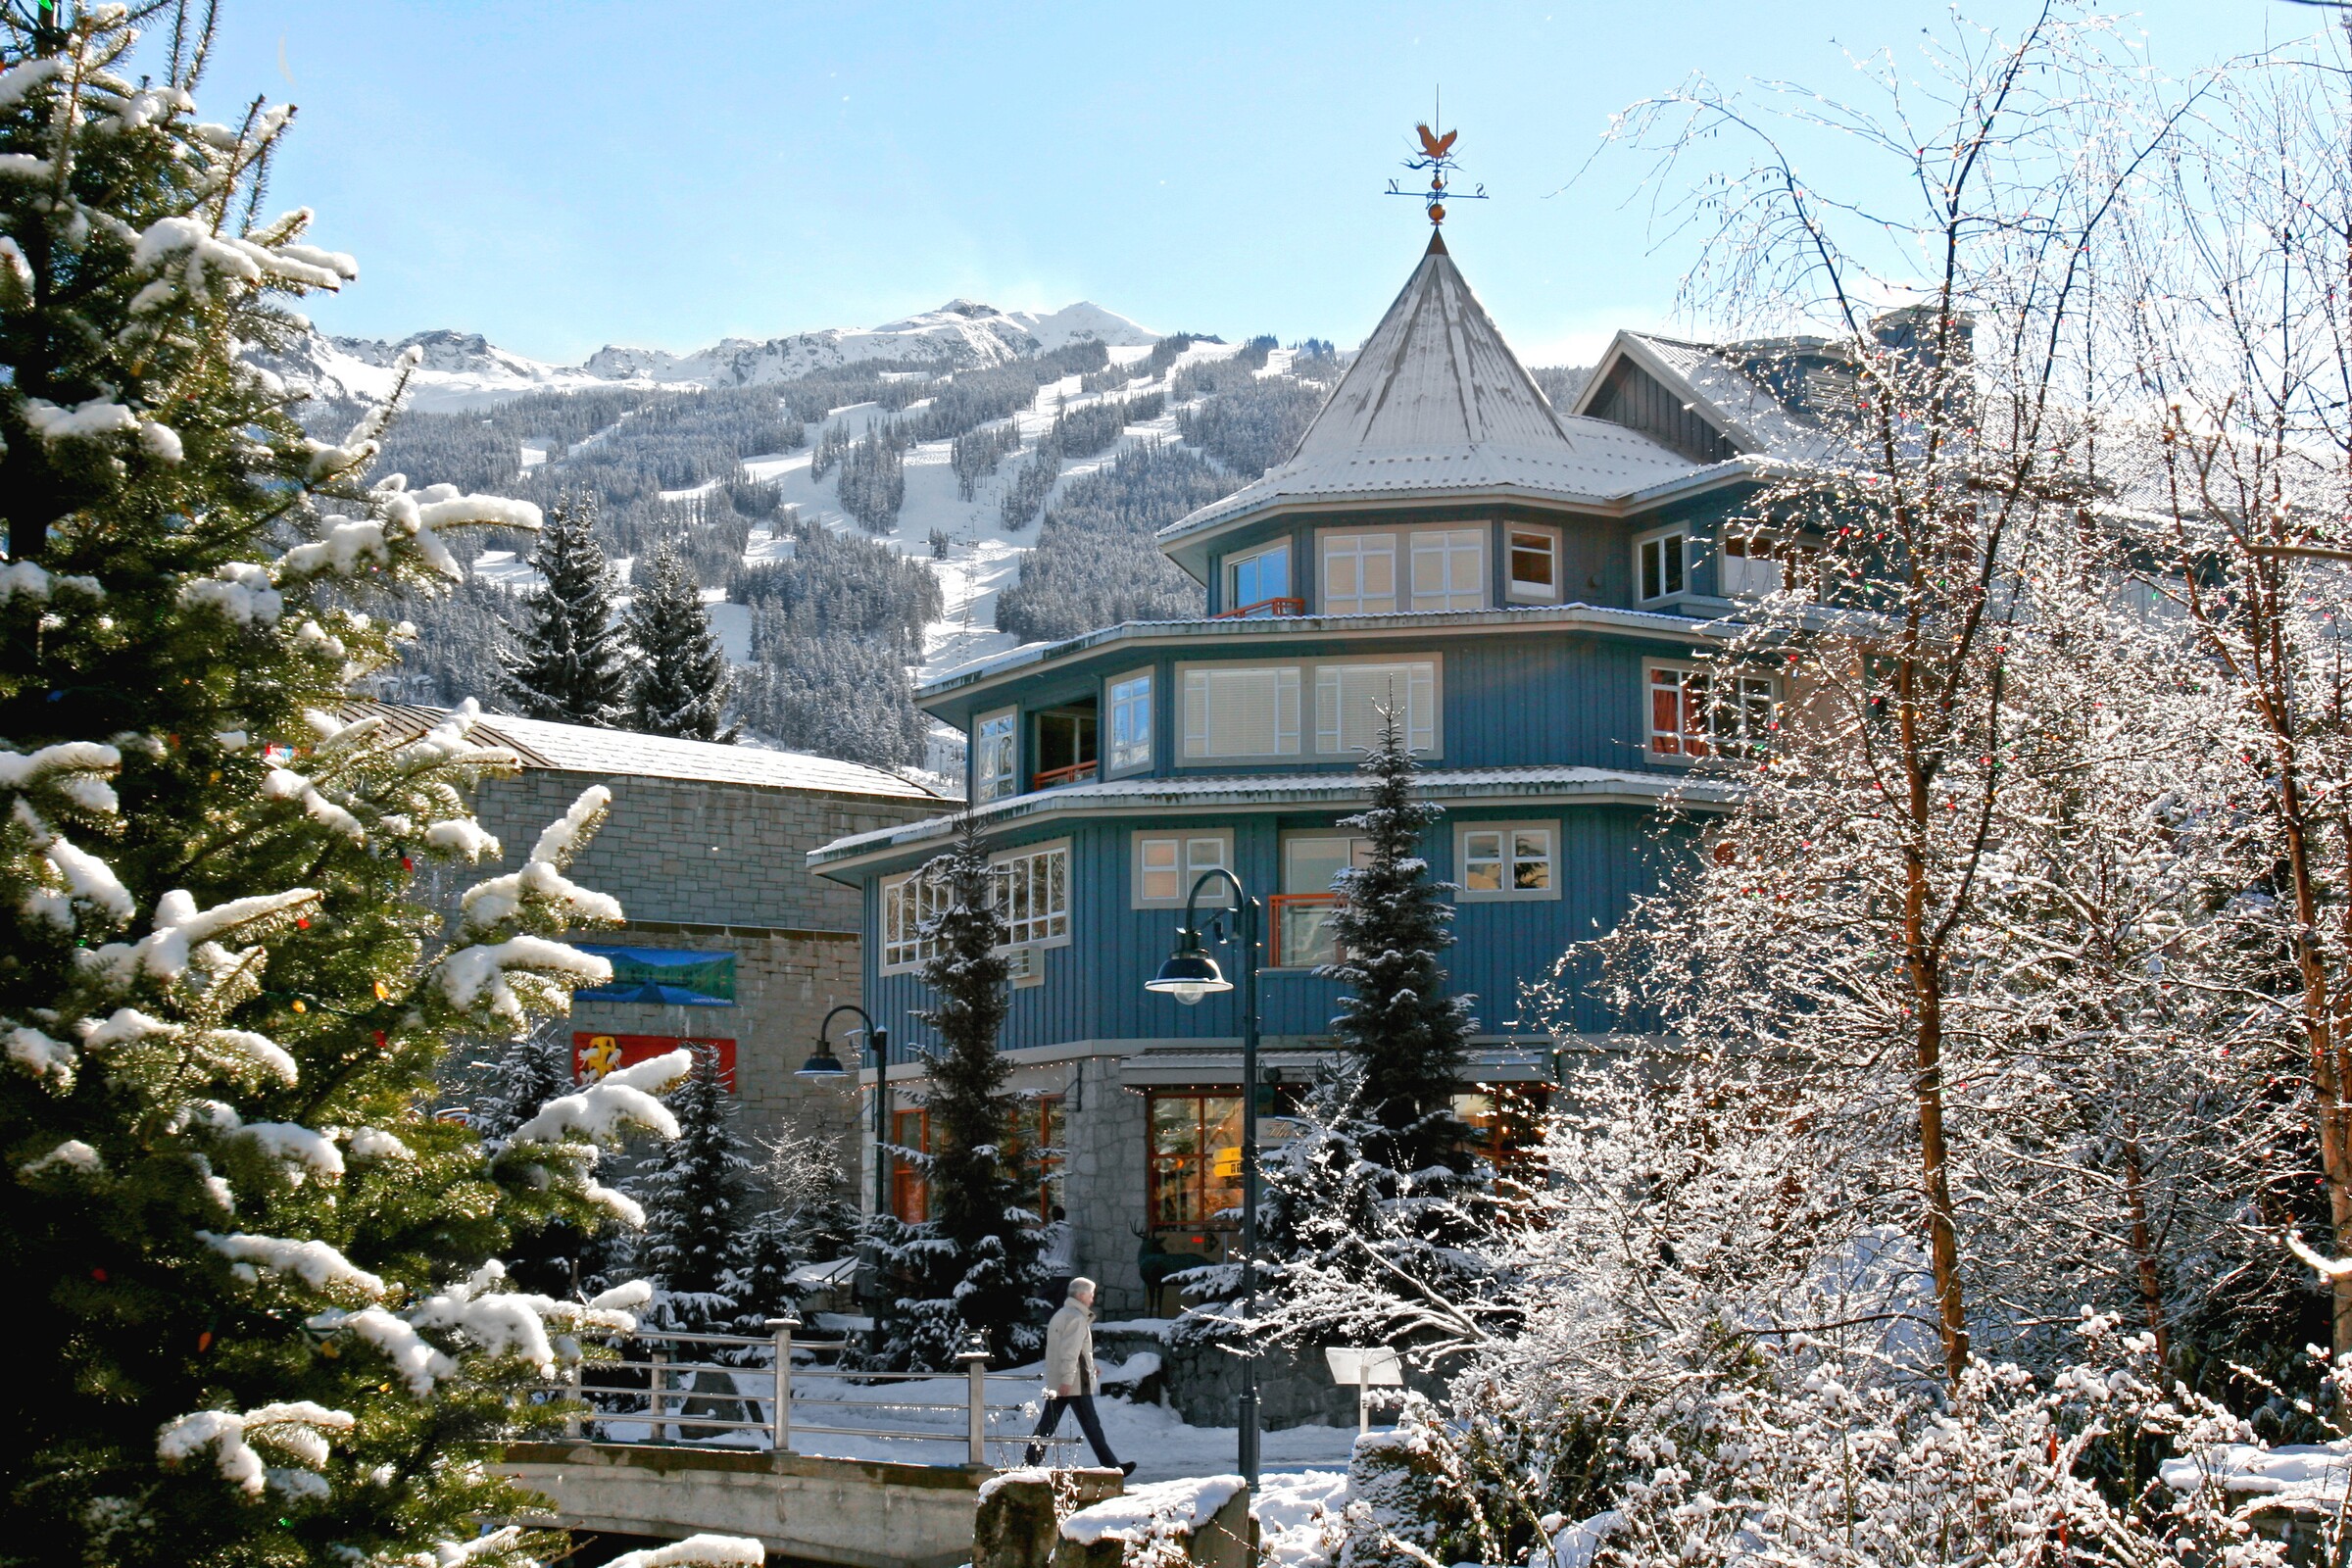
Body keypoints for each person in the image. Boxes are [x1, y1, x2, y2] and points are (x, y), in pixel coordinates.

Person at [1022, 1277, 1134, 1474]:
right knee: (1091, 1425)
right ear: (1081, 1295)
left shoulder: (1061, 1315)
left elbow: (1066, 1350)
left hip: (1062, 1379)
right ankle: (1112, 1467)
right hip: (1075, 1382)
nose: (1092, 1299)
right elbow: (1070, 1351)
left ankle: (1030, 1462)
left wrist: (1089, 1366)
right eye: (1091, 1295)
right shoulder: (1077, 1318)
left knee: (1048, 1423)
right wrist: (1068, 1379)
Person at [1040, 1204, 1078, 1303]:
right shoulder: (1071, 1232)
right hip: (1066, 1271)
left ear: (1052, 1217)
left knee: (1045, 1301)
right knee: (1060, 1302)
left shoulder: (1050, 1231)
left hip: (1051, 1271)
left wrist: (1038, 1267)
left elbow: (1044, 1251)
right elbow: (1074, 1252)